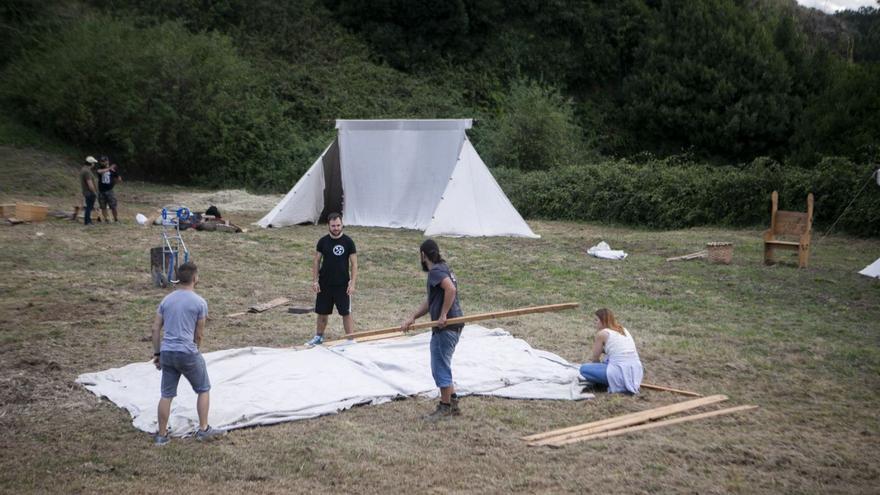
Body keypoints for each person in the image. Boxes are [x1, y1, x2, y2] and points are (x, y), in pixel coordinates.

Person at [150, 262, 225, 445]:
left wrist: (158, 354)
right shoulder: (199, 302)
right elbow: (199, 333)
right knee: (203, 389)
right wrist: (195, 350)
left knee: (166, 394)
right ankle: (204, 429)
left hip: (167, 352)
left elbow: (155, 328)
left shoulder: (166, 300)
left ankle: (161, 435)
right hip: (187, 352)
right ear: (195, 278)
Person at [401, 239, 464, 420]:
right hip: (455, 324)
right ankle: (453, 403)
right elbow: (431, 301)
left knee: (439, 366)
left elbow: (450, 290)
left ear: (422, 255)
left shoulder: (436, 271)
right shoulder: (443, 268)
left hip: (447, 326)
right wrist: (413, 317)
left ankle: (445, 408)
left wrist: (443, 315)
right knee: (444, 363)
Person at [304, 212, 358, 346]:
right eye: (333, 226)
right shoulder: (323, 241)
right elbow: (316, 261)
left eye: (338, 225)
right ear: (328, 225)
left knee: (346, 313)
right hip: (325, 285)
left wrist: (352, 283)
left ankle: (350, 340)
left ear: (342, 225)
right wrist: (315, 281)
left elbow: (354, 264)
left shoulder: (348, 242)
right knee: (322, 313)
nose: (336, 228)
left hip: (342, 285)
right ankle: (318, 337)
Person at [579, 308, 643, 394]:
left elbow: (595, 359)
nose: (595, 323)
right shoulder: (623, 329)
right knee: (608, 360)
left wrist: (597, 371)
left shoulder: (602, 334)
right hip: (636, 372)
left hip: (619, 372)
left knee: (584, 369)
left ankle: (611, 383)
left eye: (596, 320)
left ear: (603, 321)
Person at [96, 156, 122, 223]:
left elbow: (119, 178)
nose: (103, 162)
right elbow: (99, 171)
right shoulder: (100, 168)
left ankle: (116, 219)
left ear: (107, 161)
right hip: (101, 191)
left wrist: (113, 184)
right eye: (102, 161)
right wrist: (110, 168)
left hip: (109, 191)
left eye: (104, 161)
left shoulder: (114, 170)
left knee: (113, 206)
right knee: (103, 206)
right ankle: (106, 219)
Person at [78, 156, 98, 225]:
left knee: (88, 207)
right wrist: (95, 192)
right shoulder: (87, 171)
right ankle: (87, 222)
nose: (94, 164)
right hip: (89, 192)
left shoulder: (83, 169)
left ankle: (88, 221)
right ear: (91, 163)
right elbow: (90, 184)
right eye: (93, 163)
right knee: (89, 207)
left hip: (86, 191)